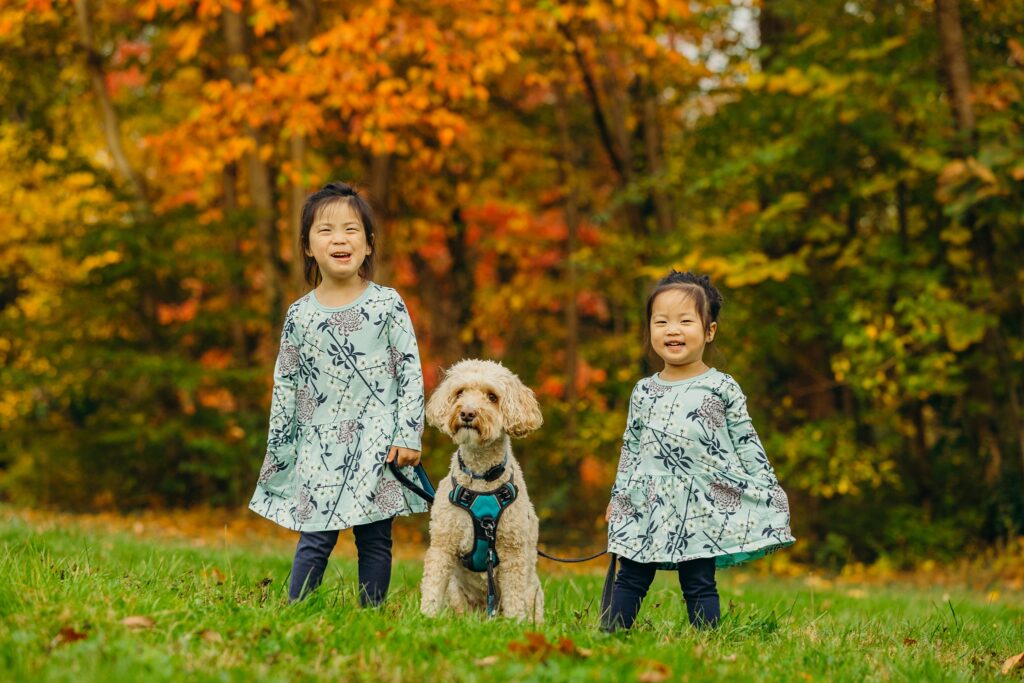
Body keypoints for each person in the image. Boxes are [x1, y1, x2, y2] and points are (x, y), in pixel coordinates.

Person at [249, 181, 426, 606]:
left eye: (351, 230)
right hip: (319, 446)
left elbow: (410, 373)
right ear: (308, 247)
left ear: (368, 244)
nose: (339, 239)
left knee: (375, 538)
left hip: (379, 443)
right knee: (316, 536)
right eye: (325, 230)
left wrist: (409, 435)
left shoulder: (387, 304)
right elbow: (287, 384)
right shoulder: (300, 315)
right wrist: (282, 448)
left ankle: (372, 613)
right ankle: (297, 609)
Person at [603, 270, 794, 631]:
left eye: (685, 321)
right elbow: (630, 448)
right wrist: (619, 496)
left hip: (700, 504)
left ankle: (708, 642)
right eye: (661, 322)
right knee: (630, 576)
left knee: (698, 582)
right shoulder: (643, 391)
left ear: (709, 331)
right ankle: (610, 635)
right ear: (650, 331)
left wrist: (768, 487)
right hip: (648, 502)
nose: (672, 330)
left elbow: (746, 442)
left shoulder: (721, 386)